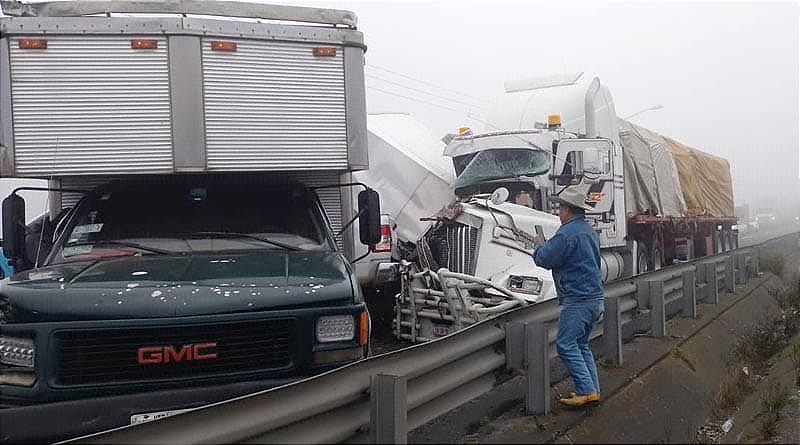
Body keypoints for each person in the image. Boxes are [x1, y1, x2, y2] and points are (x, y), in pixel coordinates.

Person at [532, 185, 604, 407]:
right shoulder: (588, 230)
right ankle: (592, 390)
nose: (558, 212)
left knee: (565, 344)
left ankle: (586, 390)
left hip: (578, 300)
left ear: (567, 210)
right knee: (581, 344)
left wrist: (538, 246)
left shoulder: (566, 233)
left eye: (560, 208)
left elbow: (545, 258)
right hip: (594, 298)